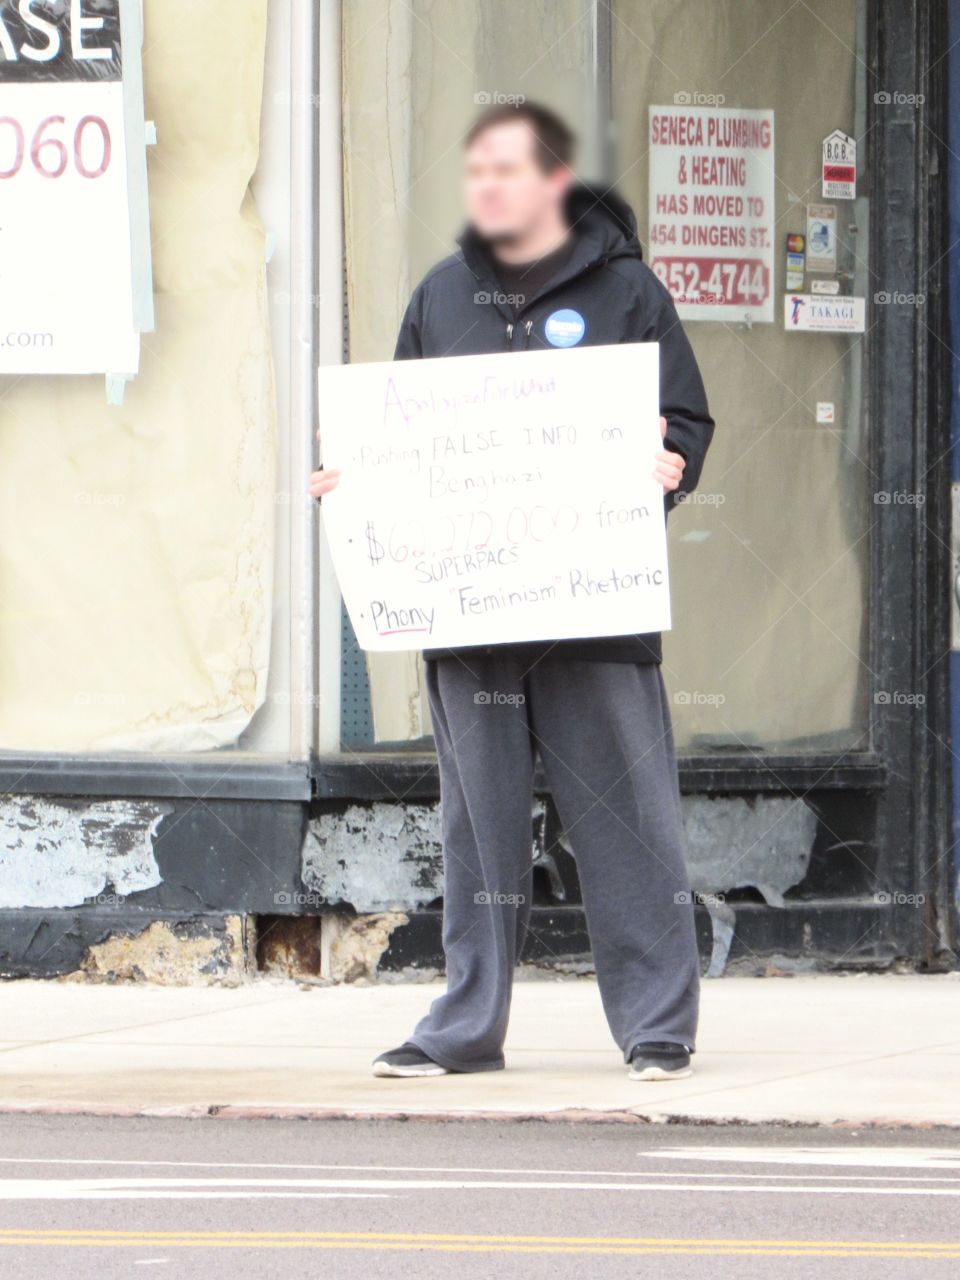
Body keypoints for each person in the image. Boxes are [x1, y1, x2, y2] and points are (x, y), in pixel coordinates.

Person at [310, 101, 714, 1082]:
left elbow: (686, 421)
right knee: (477, 829)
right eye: (475, 168)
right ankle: (465, 1025)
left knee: (626, 824)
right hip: (470, 613)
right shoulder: (443, 295)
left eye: (507, 168)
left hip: (592, 609)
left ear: (552, 182)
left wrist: (670, 464)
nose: (487, 185)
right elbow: (394, 433)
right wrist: (351, 480)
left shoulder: (628, 292)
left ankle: (657, 1024)